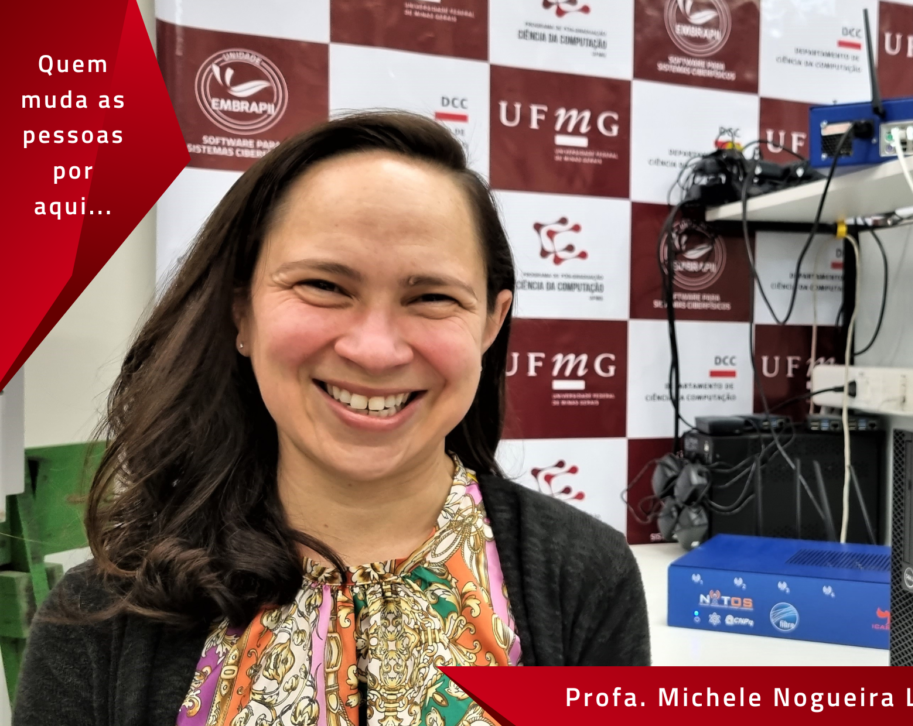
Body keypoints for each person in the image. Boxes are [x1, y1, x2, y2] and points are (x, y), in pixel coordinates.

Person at [12, 111, 650, 726]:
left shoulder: (586, 578)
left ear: (490, 323)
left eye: (432, 297)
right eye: (324, 286)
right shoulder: (98, 616)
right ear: (242, 310)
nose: (374, 350)